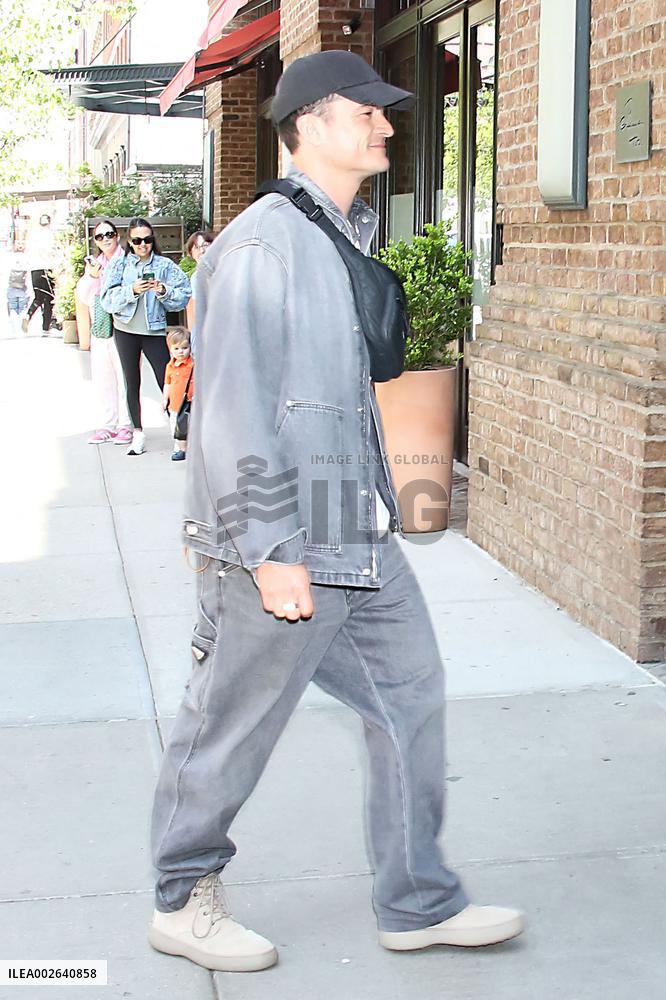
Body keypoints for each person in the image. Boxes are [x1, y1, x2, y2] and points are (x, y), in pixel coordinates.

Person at [149, 50, 524, 974]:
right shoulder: (261, 245)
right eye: (370, 112)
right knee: (234, 724)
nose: (388, 127)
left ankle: (417, 900)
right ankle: (181, 894)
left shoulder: (337, 231)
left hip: (355, 526)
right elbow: (232, 408)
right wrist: (271, 547)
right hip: (281, 536)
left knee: (412, 699)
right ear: (311, 121)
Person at [100, 218, 191, 456]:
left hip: (153, 330)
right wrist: (131, 291)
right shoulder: (119, 265)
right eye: (137, 240)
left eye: (148, 240)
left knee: (168, 381)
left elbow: (184, 293)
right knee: (132, 381)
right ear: (129, 241)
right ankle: (137, 433)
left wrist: (163, 291)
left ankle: (178, 432)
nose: (143, 245)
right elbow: (106, 300)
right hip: (125, 329)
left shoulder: (164, 265)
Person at [76, 220, 132, 445]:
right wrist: (92, 276)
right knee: (103, 377)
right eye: (100, 237)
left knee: (125, 377)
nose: (105, 239)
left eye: (109, 234)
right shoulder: (95, 265)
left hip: (123, 325)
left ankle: (126, 424)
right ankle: (108, 424)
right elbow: (84, 296)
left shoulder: (127, 261)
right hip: (101, 327)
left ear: (117, 235)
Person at [162, 326, 194, 462]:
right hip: (174, 405)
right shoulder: (170, 366)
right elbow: (167, 383)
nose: (181, 352)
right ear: (170, 349)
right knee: (175, 427)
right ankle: (179, 448)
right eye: (176, 349)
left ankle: (188, 448)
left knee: (189, 427)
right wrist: (165, 399)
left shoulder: (192, 365)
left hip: (189, 404)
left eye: (184, 348)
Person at [184, 229, 215, 355]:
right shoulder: (196, 277)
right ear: (191, 253)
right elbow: (194, 310)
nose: (202, 251)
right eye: (196, 247)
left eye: (205, 245)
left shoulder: (225, 270)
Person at [6, 247, 30, 335]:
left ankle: (14, 328)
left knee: (13, 308)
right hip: (22, 287)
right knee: (22, 308)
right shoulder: (26, 258)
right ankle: (23, 323)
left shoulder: (9, 257)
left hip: (11, 287)